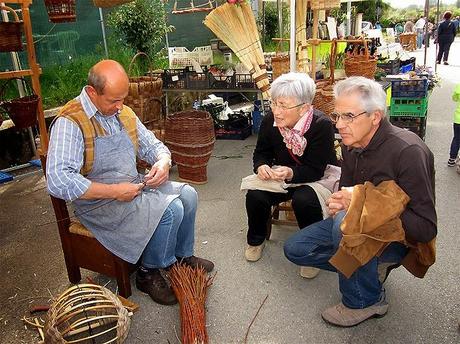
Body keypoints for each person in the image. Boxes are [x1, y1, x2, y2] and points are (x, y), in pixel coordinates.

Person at [46, 60, 214, 306]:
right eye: (113, 100)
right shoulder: (70, 122)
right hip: (99, 202)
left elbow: (153, 146)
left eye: (122, 99)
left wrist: (163, 162)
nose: (120, 106)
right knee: (171, 210)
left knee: (188, 195)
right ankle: (148, 272)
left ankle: (181, 255)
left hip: (132, 186)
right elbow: (58, 181)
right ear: (92, 92)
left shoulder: (121, 111)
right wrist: (114, 191)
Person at [284, 77, 437, 327]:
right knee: (296, 249)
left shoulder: (408, 151)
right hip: (360, 230)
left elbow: (425, 229)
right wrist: (338, 201)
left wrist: (360, 203)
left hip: (399, 238)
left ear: (375, 117)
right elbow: (347, 189)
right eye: (337, 116)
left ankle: (364, 301)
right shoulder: (350, 144)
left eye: (349, 116)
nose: (340, 125)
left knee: (344, 223)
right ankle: (369, 269)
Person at [244, 72, 337, 264]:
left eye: (283, 105)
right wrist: (261, 166)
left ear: (304, 109)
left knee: (304, 200)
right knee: (255, 195)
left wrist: (291, 172)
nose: (276, 111)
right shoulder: (271, 120)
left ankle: (312, 250)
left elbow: (316, 169)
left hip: (316, 176)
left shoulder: (322, 125)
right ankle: (256, 240)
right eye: (274, 103)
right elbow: (261, 152)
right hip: (282, 174)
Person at [448, 83, 460, 168]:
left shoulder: (459, 86)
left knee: (456, 139)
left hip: (458, 119)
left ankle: (451, 160)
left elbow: (454, 98)